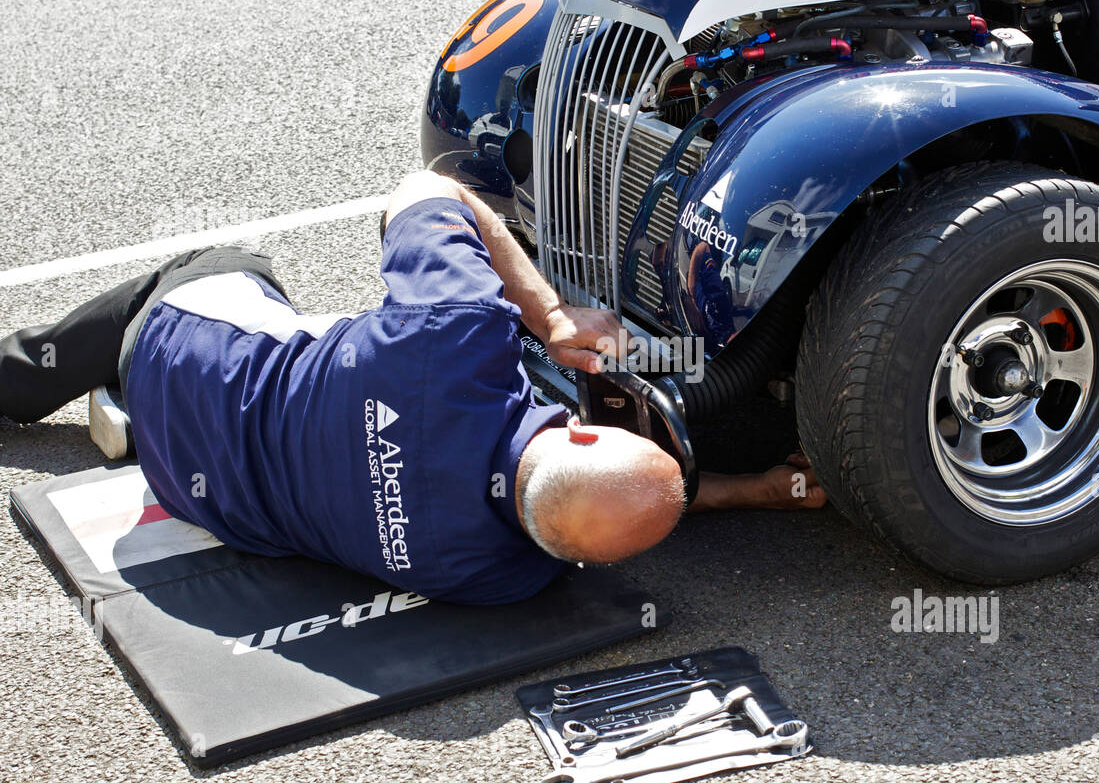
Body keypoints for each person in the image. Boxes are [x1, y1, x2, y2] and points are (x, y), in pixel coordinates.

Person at [0, 172, 824, 603]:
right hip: (196, 491)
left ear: (577, 432)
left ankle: (38, 372)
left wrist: (553, 319)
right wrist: (754, 487)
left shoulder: (457, 336)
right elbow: (601, 516)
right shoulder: (495, 577)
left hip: (186, 353)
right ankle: (131, 411)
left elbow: (424, 192)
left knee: (232, 265)